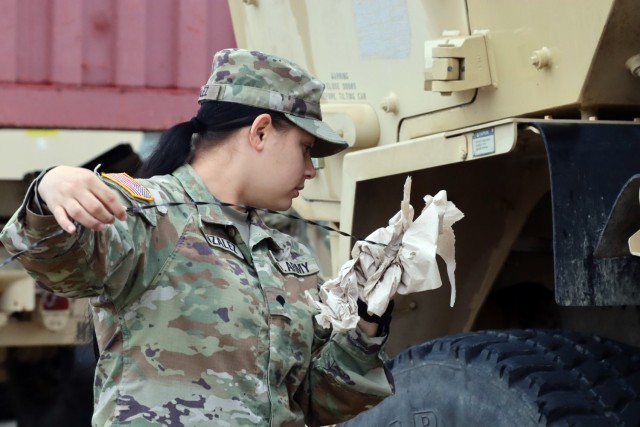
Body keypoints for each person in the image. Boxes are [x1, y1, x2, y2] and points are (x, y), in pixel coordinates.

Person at [0, 48, 394, 426]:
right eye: (305, 149)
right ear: (260, 132)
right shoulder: (149, 215)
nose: (310, 170)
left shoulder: (289, 256)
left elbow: (316, 400)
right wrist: (49, 189)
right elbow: (62, 267)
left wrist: (368, 321)